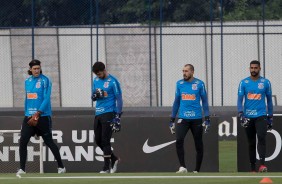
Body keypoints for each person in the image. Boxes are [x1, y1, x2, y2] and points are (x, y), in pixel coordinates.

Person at [16, 59, 65, 176]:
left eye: (38, 68)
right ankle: (22, 169)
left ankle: (61, 166)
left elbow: (46, 99)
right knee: (23, 141)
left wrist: (38, 113)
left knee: (49, 142)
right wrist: (27, 114)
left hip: (43, 116)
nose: (37, 70)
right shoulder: (27, 81)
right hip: (29, 117)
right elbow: (27, 99)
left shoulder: (45, 80)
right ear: (30, 70)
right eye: (34, 69)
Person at [169, 64, 210, 173]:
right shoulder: (179, 84)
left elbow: (205, 102)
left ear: (192, 72)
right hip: (183, 118)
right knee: (179, 140)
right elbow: (176, 102)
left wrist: (207, 118)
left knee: (198, 143)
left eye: (186, 71)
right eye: (183, 71)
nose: (184, 73)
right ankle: (182, 167)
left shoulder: (199, 84)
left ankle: (197, 170)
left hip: (196, 118)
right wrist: (172, 119)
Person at [237, 60, 273, 172]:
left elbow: (269, 101)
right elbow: (239, 100)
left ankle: (262, 165)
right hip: (248, 116)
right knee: (251, 142)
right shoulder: (243, 82)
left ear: (259, 68)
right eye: (252, 68)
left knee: (261, 139)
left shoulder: (266, 82)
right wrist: (241, 114)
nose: (253, 70)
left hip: (261, 116)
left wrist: (270, 117)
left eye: (255, 68)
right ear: (249, 69)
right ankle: (252, 168)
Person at [91, 61, 123, 173]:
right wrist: (95, 96)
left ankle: (106, 168)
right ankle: (113, 158)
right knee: (98, 140)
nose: (98, 76)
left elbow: (119, 99)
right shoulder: (95, 80)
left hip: (109, 112)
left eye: (99, 74)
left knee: (105, 140)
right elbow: (93, 96)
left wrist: (118, 116)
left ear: (104, 70)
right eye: (97, 75)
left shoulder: (113, 81)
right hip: (98, 113)